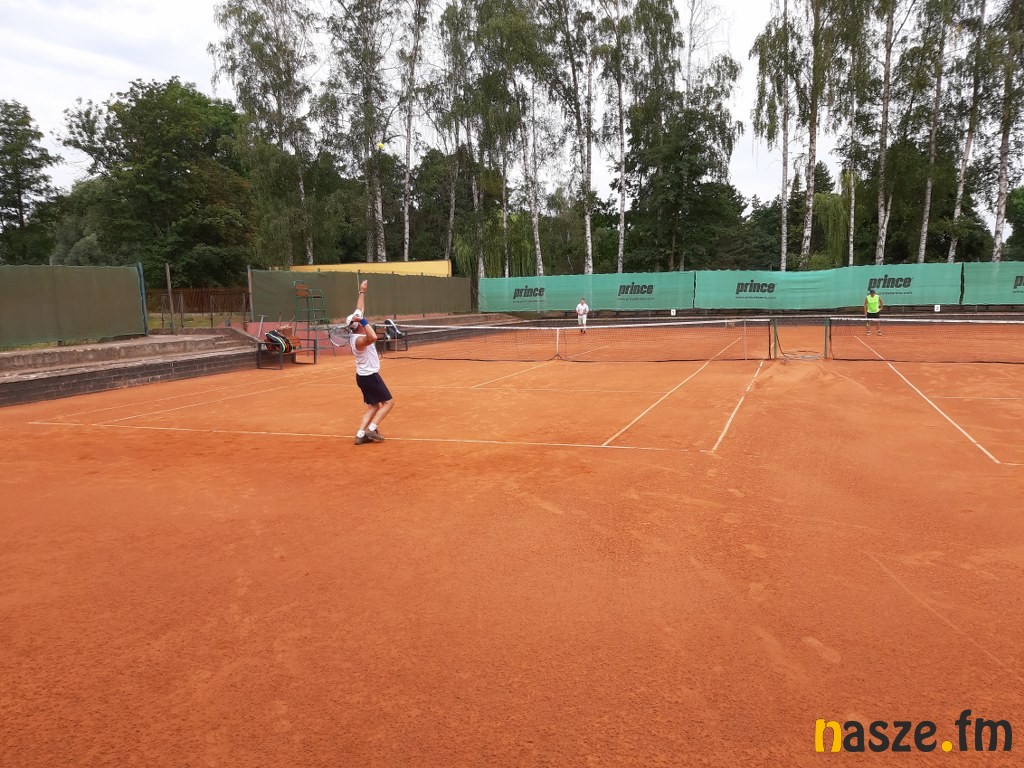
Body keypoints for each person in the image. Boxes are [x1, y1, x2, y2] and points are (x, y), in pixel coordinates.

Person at [346, 279, 394, 445]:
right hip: (369, 377)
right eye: (358, 319)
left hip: (363, 376)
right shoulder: (359, 340)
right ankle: (372, 429)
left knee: (373, 406)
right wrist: (363, 321)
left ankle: (360, 435)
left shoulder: (357, 331)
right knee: (389, 403)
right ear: (357, 324)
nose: (361, 316)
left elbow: (359, 308)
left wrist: (362, 291)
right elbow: (373, 337)